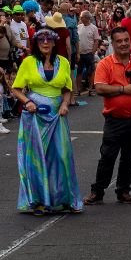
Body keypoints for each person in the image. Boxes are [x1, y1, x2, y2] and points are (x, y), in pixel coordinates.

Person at [12, 26, 79, 214]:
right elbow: (16, 88)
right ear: (36, 43)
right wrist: (27, 102)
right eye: (41, 40)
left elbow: (67, 88)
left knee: (61, 156)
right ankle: (38, 200)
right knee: (36, 159)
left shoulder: (63, 62)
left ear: (54, 41)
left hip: (58, 115)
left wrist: (65, 104)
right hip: (34, 117)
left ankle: (65, 199)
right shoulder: (28, 62)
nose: (45, 43)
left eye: (49, 39)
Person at [88, 28, 131, 205]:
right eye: (119, 41)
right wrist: (124, 89)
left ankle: (123, 190)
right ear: (113, 43)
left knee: (128, 158)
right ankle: (98, 191)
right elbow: (100, 88)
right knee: (108, 156)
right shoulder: (105, 64)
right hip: (114, 119)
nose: (124, 44)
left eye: (126, 40)